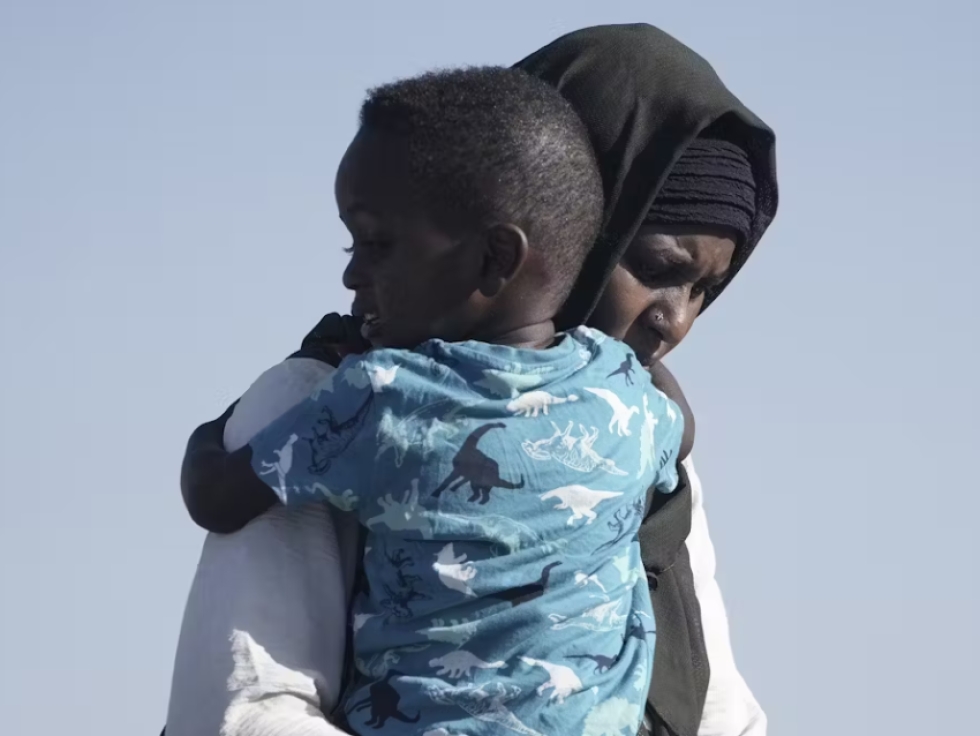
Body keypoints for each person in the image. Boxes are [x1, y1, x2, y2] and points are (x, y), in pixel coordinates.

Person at [164, 22, 777, 736]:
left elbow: (722, 714)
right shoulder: (323, 404)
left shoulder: (641, 437)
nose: (674, 322)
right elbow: (246, 712)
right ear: (557, 234)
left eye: (705, 290)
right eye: (659, 269)